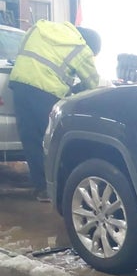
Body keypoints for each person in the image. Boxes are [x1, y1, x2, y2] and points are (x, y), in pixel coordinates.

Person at [10, 20, 101, 201]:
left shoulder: (41, 26)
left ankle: (41, 187)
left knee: (30, 138)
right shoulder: (80, 47)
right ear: (91, 46)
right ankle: (57, 187)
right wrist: (77, 89)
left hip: (19, 84)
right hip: (45, 92)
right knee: (52, 142)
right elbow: (93, 84)